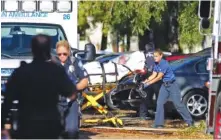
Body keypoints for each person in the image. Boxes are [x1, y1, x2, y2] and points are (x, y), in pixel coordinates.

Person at [1, 34, 77, 139]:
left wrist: (2, 126)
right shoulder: (55, 71)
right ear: (49, 50)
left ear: (32, 50)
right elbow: (72, 93)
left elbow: (7, 101)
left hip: (27, 126)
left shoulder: (21, 72)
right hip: (50, 127)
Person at [143, 49, 193, 128]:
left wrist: (149, 83)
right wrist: (145, 81)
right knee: (159, 103)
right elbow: (154, 74)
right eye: (154, 56)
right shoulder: (156, 64)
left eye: (156, 56)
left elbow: (159, 77)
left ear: (161, 56)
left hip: (172, 85)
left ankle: (190, 122)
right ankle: (159, 124)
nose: (154, 58)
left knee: (178, 104)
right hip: (164, 86)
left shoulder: (164, 64)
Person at [56, 40, 89, 139]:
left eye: (64, 54)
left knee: (72, 132)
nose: (62, 56)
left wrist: (74, 88)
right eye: (59, 54)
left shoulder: (75, 62)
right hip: (55, 102)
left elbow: (84, 80)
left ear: (69, 52)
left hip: (71, 101)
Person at [138, 44, 162, 120]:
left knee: (145, 97)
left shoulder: (144, 55)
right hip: (156, 78)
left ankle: (143, 115)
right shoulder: (157, 54)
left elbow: (142, 66)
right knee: (159, 97)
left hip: (147, 77)